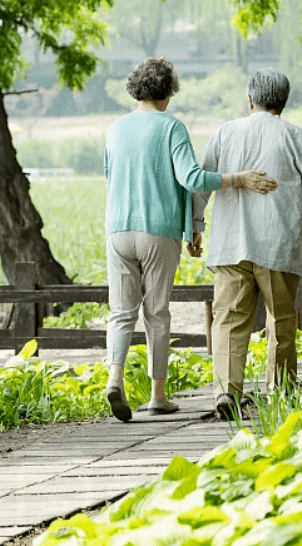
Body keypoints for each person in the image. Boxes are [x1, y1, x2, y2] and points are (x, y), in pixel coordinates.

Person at [104, 57, 277, 423]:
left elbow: (111, 176)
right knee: (156, 312)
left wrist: (191, 226)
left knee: (121, 312)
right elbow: (193, 179)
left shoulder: (115, 129)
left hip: (117, 229)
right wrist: (237, 179)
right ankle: (158, 395)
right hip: (158, 231)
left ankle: (114, 379)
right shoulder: (171, 127)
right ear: (167, 92)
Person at [193, 68, 302, 420]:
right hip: (276, 244)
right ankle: (280, 392)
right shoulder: (295, 136)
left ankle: (227, 392)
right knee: (282, 320)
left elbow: (202, 184)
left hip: (229, 244)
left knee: (228, 320)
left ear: (250, 98)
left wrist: (196, 226)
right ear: (283, 103)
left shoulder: (225, 133)